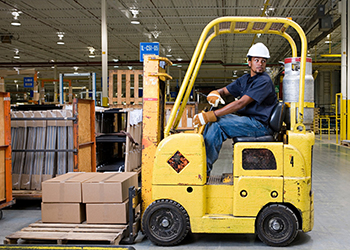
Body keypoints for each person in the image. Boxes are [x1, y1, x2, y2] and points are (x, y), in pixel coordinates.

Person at [193, 42, 277, 175]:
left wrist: (212, 114)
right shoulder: (245, 79)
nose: (260, 63)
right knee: (213, 122)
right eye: (256, 60)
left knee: (218, 125)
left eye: (263, 61)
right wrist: (216, 92)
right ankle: (199, 163)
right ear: (249, 62)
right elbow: (226, 91)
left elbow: (240, 103)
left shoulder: (264, 81)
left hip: (259, 125)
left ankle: (201, 171)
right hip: (248, 121)